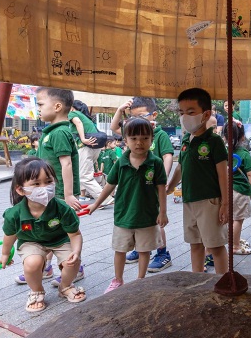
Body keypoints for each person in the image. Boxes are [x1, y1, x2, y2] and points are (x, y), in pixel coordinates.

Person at [89, 118, 168, 291]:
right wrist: (95, 204)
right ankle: (118, 279)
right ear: (125, 140)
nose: (139, 142)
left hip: (147, 217)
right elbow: (109, 185)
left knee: (144, 250)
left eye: (145, 138)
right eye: (134, 138)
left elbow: (161, 188)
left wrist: (163, 212)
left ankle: (141, 280)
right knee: (120, 250)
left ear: (151, 139)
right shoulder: (121, 162)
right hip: (123, 216)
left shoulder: (156, 163)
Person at [0, 158, 85, 312]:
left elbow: (75, 234)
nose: (44, 188)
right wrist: (5, 254)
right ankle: (36, 291)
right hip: (30, 241)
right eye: (36, 184)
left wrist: (76, 251)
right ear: (20, 190)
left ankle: (65, 286)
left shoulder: (63, 208)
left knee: (72, 261)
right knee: (32, 263)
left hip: (60, 239)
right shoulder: (14, 214)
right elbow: (10, 235)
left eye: (48, 181)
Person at [166, 87, 230, 276]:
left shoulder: (214, 141)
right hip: (189, 201)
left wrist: (225, 203)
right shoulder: (186, 140)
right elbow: (180, 168)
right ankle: (197, 280)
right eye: (182, 112)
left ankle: (223, 280)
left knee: (215, 245)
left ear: (206, 114)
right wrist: (170, 187)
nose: (185, 117)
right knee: (195, 244)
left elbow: (223, 174)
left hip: (210, 201)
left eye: (191, 112)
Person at [112, 97, 176, 271]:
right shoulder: (133, 130)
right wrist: (119, 110)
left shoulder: (159, 134)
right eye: (133, 117)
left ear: (154, 115)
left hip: (151, 184)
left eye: (141, 115)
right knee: (137, 218)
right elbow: (115, 128)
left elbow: (168, 155)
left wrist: (164, 177)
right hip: (135, 186)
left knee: (154, 220)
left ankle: (162, 252)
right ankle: (138, 246)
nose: (136, 120)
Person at [36, 87, 82, 210]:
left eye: (40, 104)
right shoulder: (51, 132)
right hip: (50, 189)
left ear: (57, 107)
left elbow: (66, 164)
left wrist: (69, 195)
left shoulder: (59, 132)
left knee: (62, 221)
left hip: (61, 193)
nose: (38, 109)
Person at [227, 120, 251, 255]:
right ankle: (234, 246)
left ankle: (235, 240)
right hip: (240, 191)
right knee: (238, 219)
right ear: (243, 137)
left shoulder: (223, 152)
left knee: (230, 218)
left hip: (226, 190)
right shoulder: (244, 154)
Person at [68, 100, 104, 200]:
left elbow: (78, 123)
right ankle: (98, 198)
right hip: (95, 147)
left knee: (84, 176)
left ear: (72, 107)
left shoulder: (73, 113)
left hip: (86, 147)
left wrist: (83, 139)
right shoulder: (85, 117)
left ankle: (104, 198)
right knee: (84, 174)